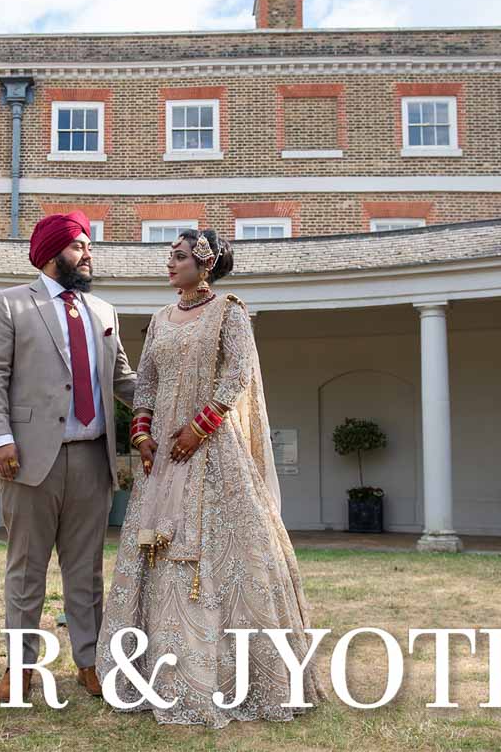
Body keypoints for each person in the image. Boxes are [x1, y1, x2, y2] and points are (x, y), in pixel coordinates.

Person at [96, 228, 330, 727]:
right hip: (163, 457)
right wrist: (141, 434)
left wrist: (197, 429)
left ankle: (232, 677)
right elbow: (146, 383)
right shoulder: (160, 319)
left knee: (229, 553)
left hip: (213, 448)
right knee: (156, 552)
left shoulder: (229, 312)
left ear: (205, 264)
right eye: (170, 255)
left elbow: (237, 374)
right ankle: (159, 674)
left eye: (179, 256)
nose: (170, 263)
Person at [0, 210, 137, 703]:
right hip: (27, 459)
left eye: (89, 246)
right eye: (78, 246)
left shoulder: (104, 312)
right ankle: (20, 668)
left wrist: (172, 403)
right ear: (51, 253)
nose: (88, 255)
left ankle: (90, 663)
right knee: (27, 568)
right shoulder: (10, 304)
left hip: (92, 459)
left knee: (86, 569)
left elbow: (123, 379)